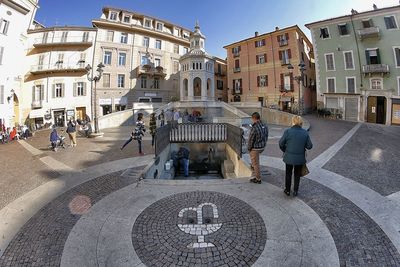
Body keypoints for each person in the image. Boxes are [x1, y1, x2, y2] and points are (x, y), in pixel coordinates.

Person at [279, 115, 313, 197]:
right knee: (297, 174)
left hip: (289, 157)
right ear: (301, 123)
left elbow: (281, 143)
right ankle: (295, 191)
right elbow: (310, 146)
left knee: (288, 173)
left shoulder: (287, 131)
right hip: (300, 158)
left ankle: (287, 190)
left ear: (293, 122)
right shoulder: (305, 132)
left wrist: (285, 150)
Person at [248, 112, 269, 184]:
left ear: (254, 118)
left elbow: (251, 140)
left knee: (256, 164)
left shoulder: (254, 127)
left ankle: (258, 179)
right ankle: (254, 171)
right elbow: (266, 136)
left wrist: (249, 148)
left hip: (255, 148)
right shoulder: (265, 125)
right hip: (262, 147)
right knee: (254, 161)